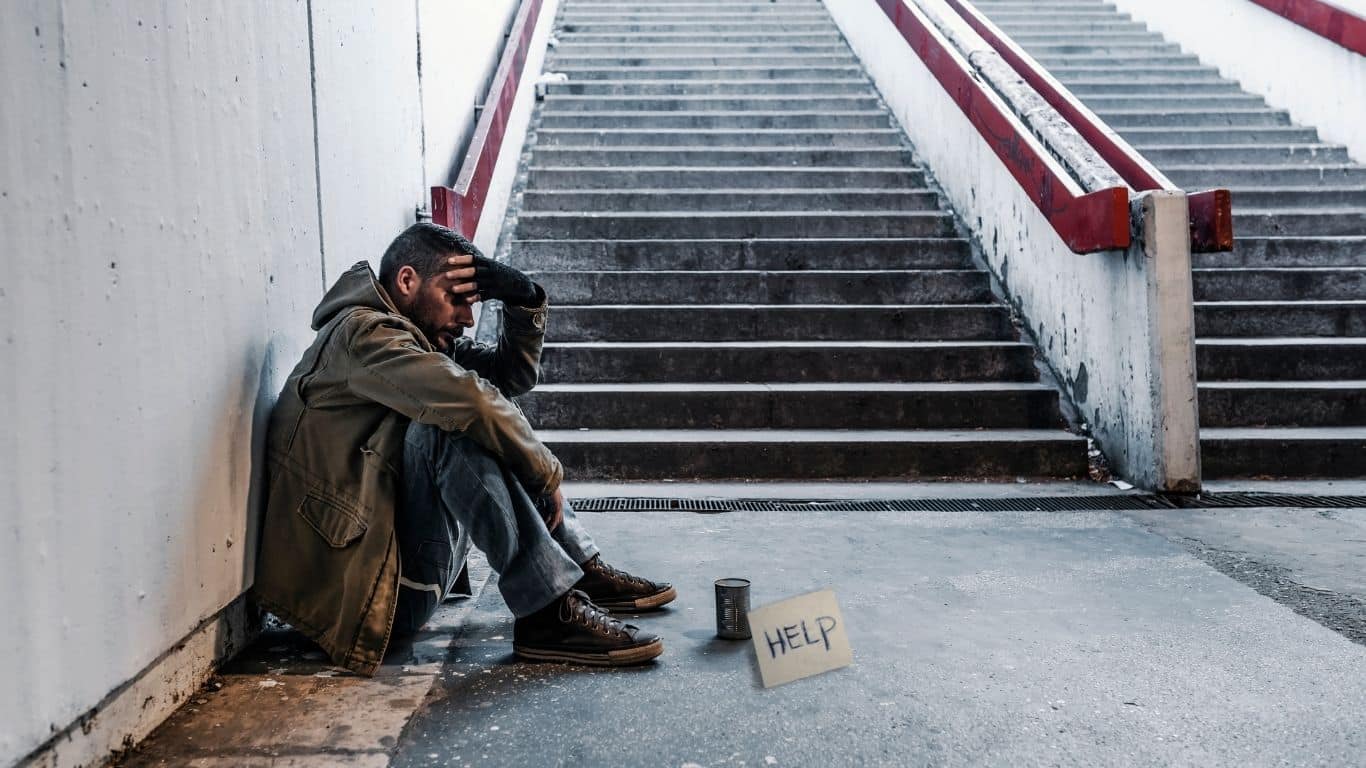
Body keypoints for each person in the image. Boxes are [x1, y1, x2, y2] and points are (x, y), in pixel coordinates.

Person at [252, 222, 674, 675]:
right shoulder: (364, 336)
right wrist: (545, 473)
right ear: (407, 281)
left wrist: (524, 298)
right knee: (450, 422)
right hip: (365, 593)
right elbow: (472, 403)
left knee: (484, 405)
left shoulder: (413, 339)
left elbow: (507, 378)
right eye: (456, 299)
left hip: (403, 571)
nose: (468, 319)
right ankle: (546, 613)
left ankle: (575, 566)